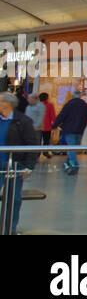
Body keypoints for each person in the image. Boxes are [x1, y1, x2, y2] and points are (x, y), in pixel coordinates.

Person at [0, 91, 38, 234]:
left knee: (13, 200)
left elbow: (32, 145)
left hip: (15, 166)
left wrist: (29, 166)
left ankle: (9, 228)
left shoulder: (23, 121)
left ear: (7, 104)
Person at [52, 90, 87, 176]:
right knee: (72, 149)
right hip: (80, 130)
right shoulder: (85, 106)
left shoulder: (68, 105)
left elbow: (61, 116)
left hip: (69, 130)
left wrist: (54, 125)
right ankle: (67, 164)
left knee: (71, 149)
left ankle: (74, 165)